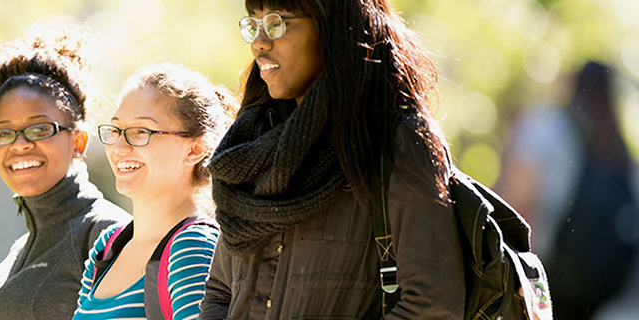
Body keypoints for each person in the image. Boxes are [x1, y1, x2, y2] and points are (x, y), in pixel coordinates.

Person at [198, 0, 467, 318]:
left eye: (278, 22)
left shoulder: (396, 143)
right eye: (254, 24)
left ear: (333, 28)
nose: (259, 42)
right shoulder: (251, 145)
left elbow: (431, 305)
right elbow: (220, 293)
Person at [0, 25, 130, 320]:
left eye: (40, 128)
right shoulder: (17, 252)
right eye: (4, 133)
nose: (19, 145)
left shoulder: (110, 234)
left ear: (79, 141)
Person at [73, 62, 238, 320]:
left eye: (141, 132)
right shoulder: (108, 245)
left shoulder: (191, 248)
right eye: (116, 130)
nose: (119, 147)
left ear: (196, 150)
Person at [499, 62, 638, 320]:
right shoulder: (622, 154)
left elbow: (514, 206)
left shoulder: (546, 128)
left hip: (544, 289)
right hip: (607, 302)